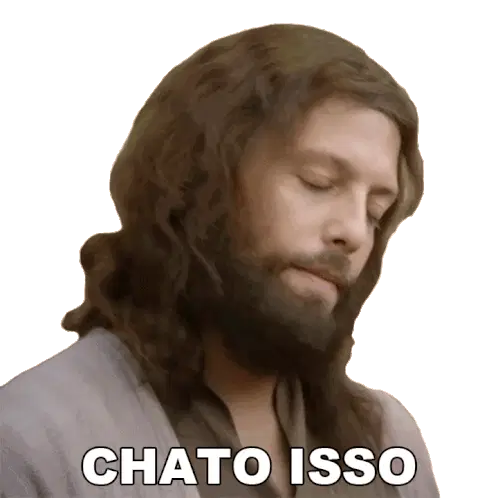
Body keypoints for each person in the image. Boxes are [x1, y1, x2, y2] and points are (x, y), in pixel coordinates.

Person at [0, 23, 439, 498]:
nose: (354, 231)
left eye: (376, 211)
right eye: (318, 181)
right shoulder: (31, 443)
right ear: (198, 179)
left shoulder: (386, 441)